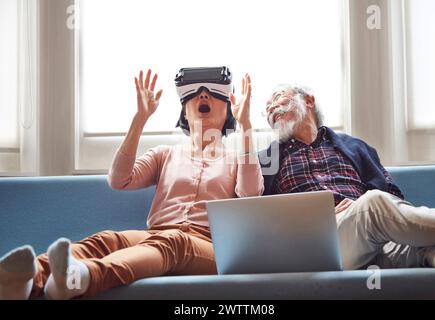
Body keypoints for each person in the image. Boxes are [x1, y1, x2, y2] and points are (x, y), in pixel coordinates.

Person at [0, 67, 263, 300]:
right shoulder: (165, 154)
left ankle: (81, 277)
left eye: (215, 93)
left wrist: (247, 125)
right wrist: (140, 119)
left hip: (211, 248)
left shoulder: (238, 158)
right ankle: (24, 280)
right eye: (194, 93)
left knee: (174, 241)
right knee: (108, 240)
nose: (204, 95)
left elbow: (250, 195)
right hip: (156, 235)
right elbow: (119, 180)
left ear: (229, 111)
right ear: (184, 110)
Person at [259, 83, 435, 271]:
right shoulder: (267, 161)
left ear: (308, 101)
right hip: (319, 244)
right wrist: (321, 218)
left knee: (431, 247)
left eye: (278, 97)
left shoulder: (356, 147)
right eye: (267, 108)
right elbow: (259, 220)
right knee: (373, 203)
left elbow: (392, 195)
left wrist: (358, 211)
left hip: (371, 239)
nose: (271, 107)